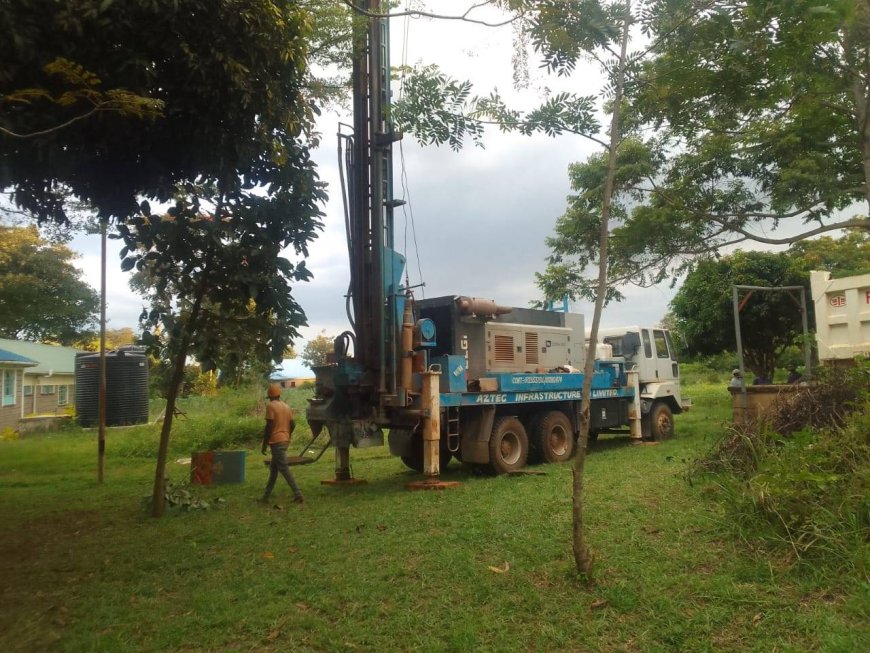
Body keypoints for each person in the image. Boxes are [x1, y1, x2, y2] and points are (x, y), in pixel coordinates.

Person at [260, 383, 304, 505]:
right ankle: (265, 497)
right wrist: (287, 434)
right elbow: (293, 424)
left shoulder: (271, 406)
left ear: (269, 396)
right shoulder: (286, 406)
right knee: (273, 470)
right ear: (279, 394)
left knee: (284, 469)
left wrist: (264, 443)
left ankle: (298, 494)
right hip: (284, 440)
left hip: (276, 441)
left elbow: (269, 426)